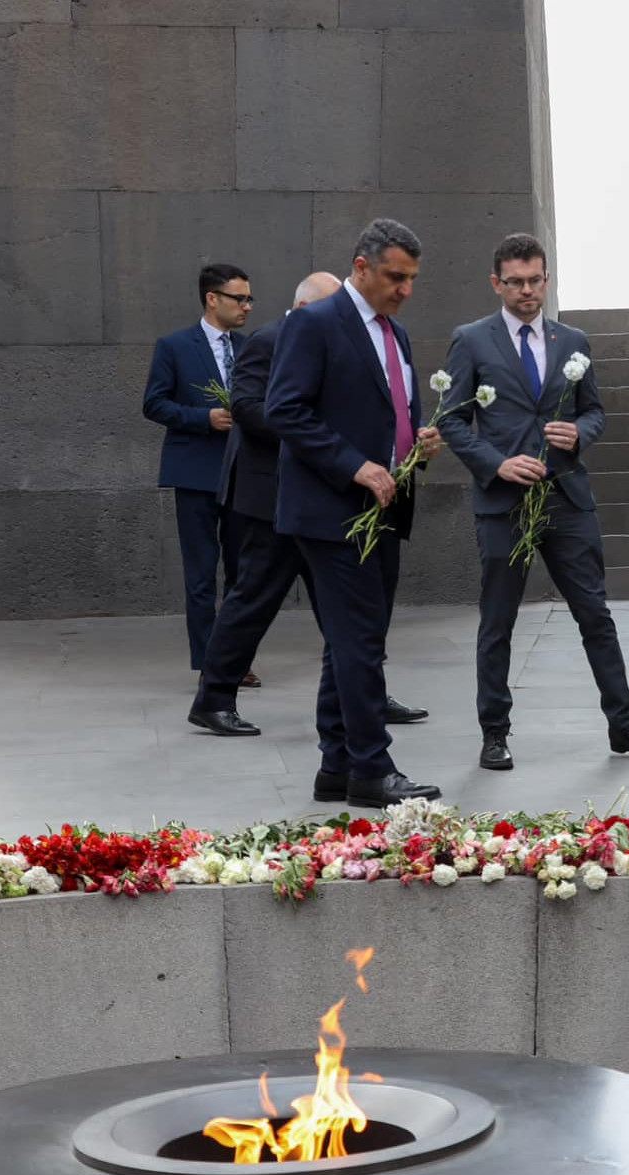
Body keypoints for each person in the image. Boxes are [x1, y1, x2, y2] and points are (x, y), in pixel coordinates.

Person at [435, 233, 629, 771]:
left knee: (596, 616)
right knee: (497, 622)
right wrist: (496, 463)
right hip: (503, 503)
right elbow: (450, 418)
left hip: (566, 498)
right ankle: (494, 733)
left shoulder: (574, 341)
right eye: (514, 282)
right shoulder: (471, 340)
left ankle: (624, 725)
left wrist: (580, 433)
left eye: (534, 280)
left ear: (546, 278)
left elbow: (597, 411)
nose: (526, 291)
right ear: (497, 283)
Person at [186, 271, 429, 746]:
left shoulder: (350, 338)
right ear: (304, 308)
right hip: (270, 498)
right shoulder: (268, 340)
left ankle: (368, 694)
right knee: (254, 598)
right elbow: (249, 406)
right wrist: (315, 437)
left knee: (350, 610)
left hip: (327, 497)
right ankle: (213, 698)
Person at [265, 220, 444, 809]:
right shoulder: (315, 323)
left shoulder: (396, 333)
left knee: (349, 641)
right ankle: (372, 768)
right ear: (361, 267)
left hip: (384, 509)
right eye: (396, 276)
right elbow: (284, 410)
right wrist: (356, 466)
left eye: (413, 278)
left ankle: (337, 764)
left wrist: (415, 446)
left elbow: (384, 407)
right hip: (331, 512)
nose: (406, 289)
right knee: (360, 643)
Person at [144, 263, 252, 680]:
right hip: (196, 473)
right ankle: (210, 664)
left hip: (244, 474)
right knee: (201, 574)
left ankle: (236, 658)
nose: (246, 306)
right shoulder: (174, 346)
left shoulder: (250, 346)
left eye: (248, 299)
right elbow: (154, 404)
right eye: (238, 298)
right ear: (212, 298)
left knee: (242, 573)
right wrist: (202, 418)